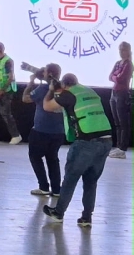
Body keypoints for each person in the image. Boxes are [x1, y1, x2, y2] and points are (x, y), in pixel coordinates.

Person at [42, 73, 114, 227]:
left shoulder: (68, 94)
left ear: (65, 85)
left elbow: (47, 106)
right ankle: (86, 218)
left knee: (71, 178)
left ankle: (58, 212)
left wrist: (51, 90)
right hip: (106, 140)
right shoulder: (89, 91)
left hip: (86, 141)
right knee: (91, 181)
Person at [22, 63, 65, 197]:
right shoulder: (63, 89)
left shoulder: (43, 89)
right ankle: (56, 189)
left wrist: (31, 82)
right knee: (53, 159)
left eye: (45, 72)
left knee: (35, 157)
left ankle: (43, 186)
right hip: (59, 131)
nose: (43, 73)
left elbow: (25, 99)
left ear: (49, 74)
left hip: (41, 130)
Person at [0, 41, 22, 145]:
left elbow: (10, 77)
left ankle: (16, 135)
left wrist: (2, 90)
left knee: (6, 114)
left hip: (6, 91)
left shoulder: (8, 61)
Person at [108, 41, 132, 159]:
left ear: (128, 51)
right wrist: (116, 76)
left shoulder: (129, 64)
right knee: (117, 123)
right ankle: (118, 146)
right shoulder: (118, 63)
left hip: (122, 94)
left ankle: (122, 148)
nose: (121, 52)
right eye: (120, 50)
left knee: (123, 123)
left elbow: (121, 79)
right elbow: (110, 76)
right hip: (114, 93)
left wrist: (116, 76)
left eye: (124, 50)